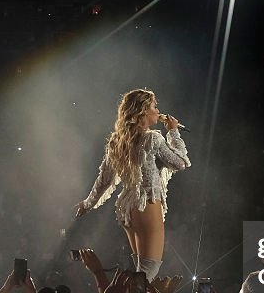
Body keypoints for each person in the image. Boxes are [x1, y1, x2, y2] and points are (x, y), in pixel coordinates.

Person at [74, 88, 190, 280]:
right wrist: (174, 132)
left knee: (140, 269)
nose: (157, 110)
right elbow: (181, 163)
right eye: (154, 106)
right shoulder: (153, 138)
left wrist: (88, 203)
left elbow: (104, 179)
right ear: (142, 111)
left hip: (128, 208)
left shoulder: (118, 141)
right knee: (148, 271)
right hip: (147, 203)